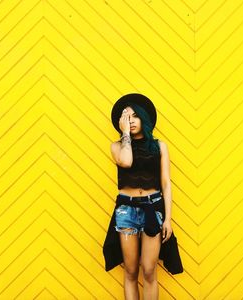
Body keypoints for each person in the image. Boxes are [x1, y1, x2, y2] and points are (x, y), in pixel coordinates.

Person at [103, 93, 183, 300]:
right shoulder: (117, 146)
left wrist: (168, 219)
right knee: (130, 271)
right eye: (126, 118)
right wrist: (125, 135)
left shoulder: (160, 147)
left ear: (144, 118)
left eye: (135, 116)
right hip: (126, 211)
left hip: (152, 209)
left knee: (148, 270)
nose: (131, 121)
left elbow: (166, 183)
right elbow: (127, 161)